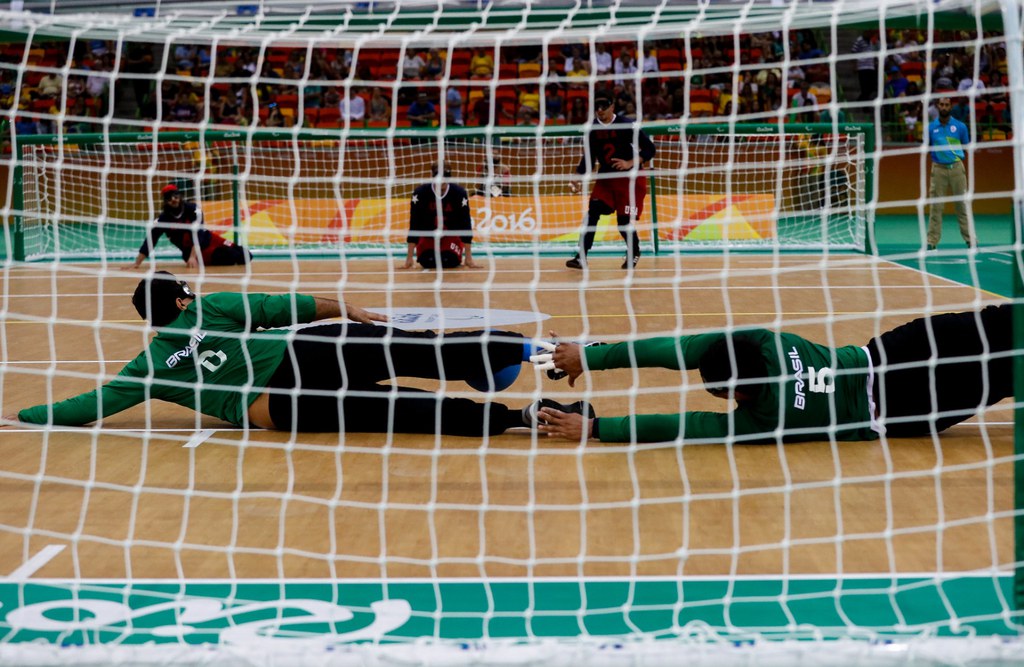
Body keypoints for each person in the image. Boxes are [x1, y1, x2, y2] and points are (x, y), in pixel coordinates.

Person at [5, 273, 593, 436]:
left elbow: (90, 405)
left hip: (276, 410)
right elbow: (290, 304)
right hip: (307, 353)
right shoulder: (210, 306)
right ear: (181, 296)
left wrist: (19, 417)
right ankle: (531, 349)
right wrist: (350, 310)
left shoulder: (147, 367)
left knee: (402, 412)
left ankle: (523, 418)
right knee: (414, 351)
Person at [532, 304, 1013, 444]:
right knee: (1003, 325)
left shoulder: (767, 417)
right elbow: (671, 349)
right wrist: (590, 357)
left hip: (905, 409)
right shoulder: (762, 339)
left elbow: (685, 427)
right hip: (889, 354)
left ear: (738, 392)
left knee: (1008, 370)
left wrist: (595, 428)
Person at [565, 90, 656, 271]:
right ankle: (581, 257)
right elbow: (589, 157)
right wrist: (577, 177)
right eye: (597, 107)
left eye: (604, 107)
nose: (600, 111)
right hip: (606, 179)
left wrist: (630, 162)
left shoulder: (626, 125)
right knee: (592, 214)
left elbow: (649, 149)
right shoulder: (592, 129)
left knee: (623, 224)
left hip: (630, 180)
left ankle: (635, 251)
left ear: (612, 107)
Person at [125, 184, 251, 270]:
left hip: (208, 239)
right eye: (169, 198)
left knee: (246, 255)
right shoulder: (163, 219)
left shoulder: (193, 210)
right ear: (165, 201)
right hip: (194, 252)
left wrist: (192, 256)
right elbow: (151, 240)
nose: (173, 200)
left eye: (175, 196)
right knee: (228, 257)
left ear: (179, 196)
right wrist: (137, 263)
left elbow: (199, 234)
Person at [403, 163, 480, 270]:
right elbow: (414, 224)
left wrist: (468, 257)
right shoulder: (420, 193)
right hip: (428, 237)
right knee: (428, 261)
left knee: (448, 261)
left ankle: (456, 254)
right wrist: (409, 258)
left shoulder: (459, 193)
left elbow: (465, 223)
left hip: (450, 237)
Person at [926, 96, 974, 250]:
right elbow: (927, 148)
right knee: (936, 207)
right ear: (937, 107)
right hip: (938, 170)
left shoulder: (960, 127)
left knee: (962, 206)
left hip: (957, 169)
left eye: (947, 105)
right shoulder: (931, 128)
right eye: (942, 104)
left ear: (950, 107)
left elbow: (965, 146)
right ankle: (931, 241)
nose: (944, 107)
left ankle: (970, 239)